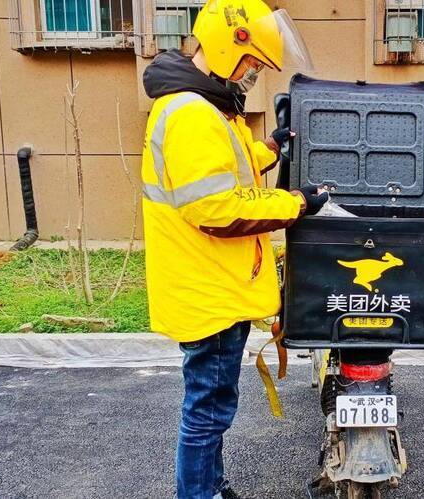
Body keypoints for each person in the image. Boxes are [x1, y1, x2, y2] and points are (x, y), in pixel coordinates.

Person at [141, 1, 328, 497]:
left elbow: (226, 172)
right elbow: (217, 208)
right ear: (230, 45)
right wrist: (296, 204)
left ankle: (211, 488)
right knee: (208, 412)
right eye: (251, 64)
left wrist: (270, 148)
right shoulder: (191, 114)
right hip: (210, 291)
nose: (251, 75)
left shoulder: (204, 107)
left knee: (211, 406)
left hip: (212, 284)